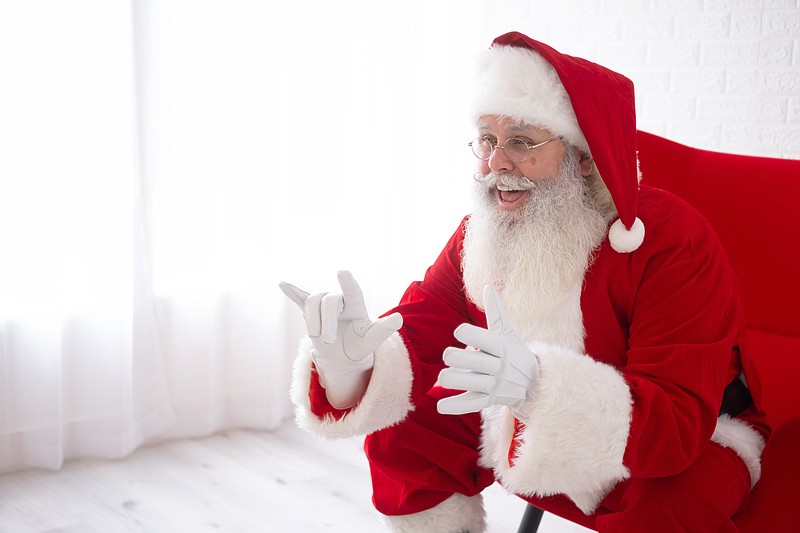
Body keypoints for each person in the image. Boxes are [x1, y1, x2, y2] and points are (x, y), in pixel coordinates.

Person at [279, 31, 769, 532]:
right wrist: (352, 370)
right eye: (487, 139)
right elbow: (425, 325)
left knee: (672, 509)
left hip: (685, 435)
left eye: (521, 141)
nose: (495, 163)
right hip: (522, 408)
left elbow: (676, 422)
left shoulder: (670, 239)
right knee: (408, 432)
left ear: (583, 157)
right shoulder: (482, 231)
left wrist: (540, 387)